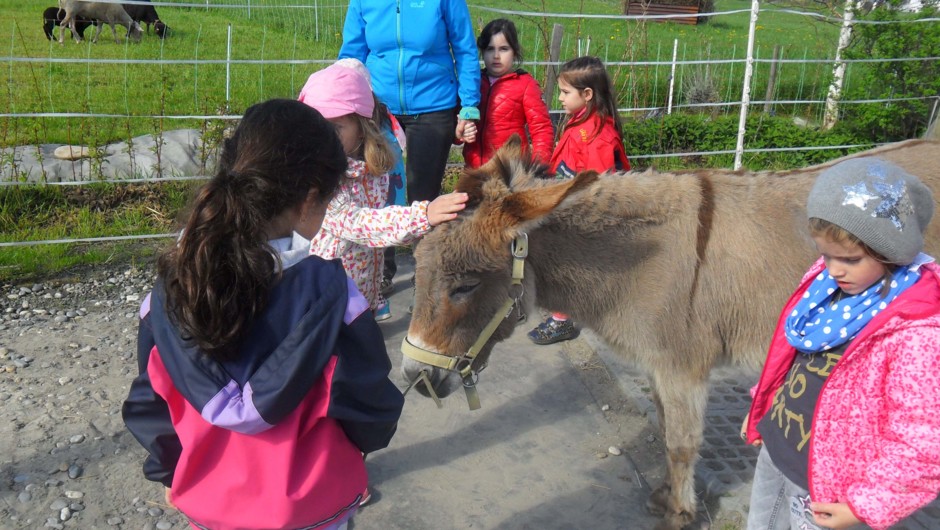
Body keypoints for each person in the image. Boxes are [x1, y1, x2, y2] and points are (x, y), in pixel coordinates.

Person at [121, 98, 405, 530]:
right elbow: (372, 405)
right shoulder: (333, 295)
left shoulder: (172, 290)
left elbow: (150, 402)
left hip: (210, 504)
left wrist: (169, 468)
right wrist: (357, 450)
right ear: (310, 199)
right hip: (314, 506)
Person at [742, 158, 940, 530]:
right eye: (826, 254)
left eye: (849, 258)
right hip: (778, 450)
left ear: (890, 251)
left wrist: (866, 506)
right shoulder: (828, 283)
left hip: (829, 491)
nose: (833, 269)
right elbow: (792, 356)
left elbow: (923, 440)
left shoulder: (915, 331)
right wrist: (763, 404)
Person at [297, 60, 468, 322]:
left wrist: (373, 296)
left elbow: (380, 230)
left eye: (334, 128)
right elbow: (361, 225)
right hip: (326, 305)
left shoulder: (372, 171)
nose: (322, 137)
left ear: (363, 126)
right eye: (316, 127)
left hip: (361, 296)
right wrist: (424, 215)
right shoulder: (319, 181)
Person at [527, 56, 631, 345]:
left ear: (587, 95)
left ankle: (564, 319)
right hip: (570, 208)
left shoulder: (596, 137)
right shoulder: (582, 124)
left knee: (568, 264)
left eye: (565, 92)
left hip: (582, 217)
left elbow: (600, 188)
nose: (558, 98)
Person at [339, 0, 480, 205]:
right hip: (378, 109)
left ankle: (424, 238)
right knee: (379, 197)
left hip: (433, 104)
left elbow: (465, 49)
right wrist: (344, 102)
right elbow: (351, 56)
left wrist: (468, 106)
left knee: (423, 203)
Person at [460, 18, 554, 168]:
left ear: (514, 52)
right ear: (482, 52)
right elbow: (456, 128)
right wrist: (460, 133)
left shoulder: (526, 85)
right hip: (473, 170)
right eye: (490, 49)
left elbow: (542, 129)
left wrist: (538, 168)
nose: (496, 56)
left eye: (504, 49)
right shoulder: (472, 84)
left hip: (510, 172)